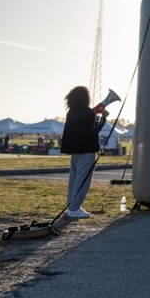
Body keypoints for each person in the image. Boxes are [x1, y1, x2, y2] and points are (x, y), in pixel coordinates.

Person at [60, 86, 108, 218]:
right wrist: (103, 118)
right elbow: (94, 130)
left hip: (74, 151)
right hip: (87, 150)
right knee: (83, 180)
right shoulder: (88, 112)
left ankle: (71, 205)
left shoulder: (71, 112)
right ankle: (75, 208)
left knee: (74, 179)